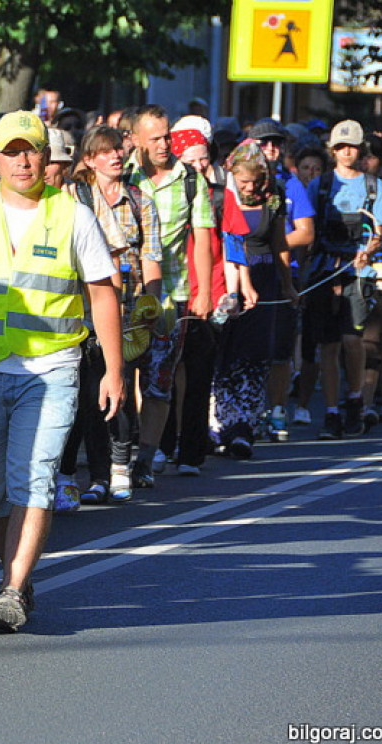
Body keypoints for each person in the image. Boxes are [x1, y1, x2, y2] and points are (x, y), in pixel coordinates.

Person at [0, 111, 124, 632]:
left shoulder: (73, 215)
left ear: (45, 157)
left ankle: (11, 589)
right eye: (11, 151)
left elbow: (102, 292)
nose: (22, 160)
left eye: (31, 150)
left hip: (53, 368)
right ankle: (17, 571)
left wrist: (114, 369)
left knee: (33, 478)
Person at [58, 125, 162, 505]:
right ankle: (85, 473)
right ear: (88, 159)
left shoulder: (140, 201)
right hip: (81, 309)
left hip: (128, 309)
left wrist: (152, 303)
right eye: (105, 151)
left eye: (119, 149)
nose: (115, 156)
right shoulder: (73, 196)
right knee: (84, 392)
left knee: (118, 386)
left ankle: (120, 466)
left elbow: (150, 258)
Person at [125, 105, 215, 486]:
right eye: (156, 138)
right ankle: (119, 454)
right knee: (122, 377)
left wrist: (205, 291)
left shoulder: (190, 179)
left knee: (159, 381)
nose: (165, 145)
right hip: (124, 296)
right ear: (135, 141)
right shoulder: (121, 175)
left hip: (170, 298)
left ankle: (146, 457)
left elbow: (202, 239)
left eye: (167, 136)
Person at [210, 140, 296, 457]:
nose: (249, 188)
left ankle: (244, 427)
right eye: (243, 181)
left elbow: (279, 245)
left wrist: (287, 285)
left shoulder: (273, 201)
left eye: (254, 182)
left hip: (262, 282)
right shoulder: (219, 197)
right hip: (227, 280)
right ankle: (217, 423)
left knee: (253, 355)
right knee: (221, 353)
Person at [304, 119, 382, 438]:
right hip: (325, 270)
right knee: (328, 343)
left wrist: (369, 249)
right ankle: (331, 411)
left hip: (358, 272)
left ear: (360, 149)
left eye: (351, 146)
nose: (346, 152)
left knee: (353, 339)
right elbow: (306, 228)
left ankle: (355, 400)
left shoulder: (373, 187)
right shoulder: (320, 185)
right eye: (340, 147)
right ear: (332, 150)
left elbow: (380, 230)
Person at [247, 118, 315, 441]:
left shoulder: (291, 183)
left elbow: (306, 231)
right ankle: (248, 409)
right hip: (248, 272)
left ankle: (275, 408)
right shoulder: (239, 183)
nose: (271, 149)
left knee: (280, 349)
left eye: (276, 143)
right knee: (248, 346)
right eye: (264, 143)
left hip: (284, 274)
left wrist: (274, 242)